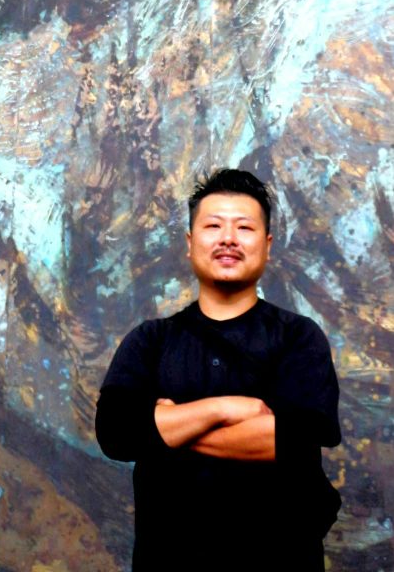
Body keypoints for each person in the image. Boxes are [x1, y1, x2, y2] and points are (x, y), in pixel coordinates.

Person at [95, 168, 341, 572]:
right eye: (213, 226)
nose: (228, 238)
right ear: (190, 243)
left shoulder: (298, 337)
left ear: (267, 245)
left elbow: (293, 442)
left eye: (244, 227)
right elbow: (117, 434)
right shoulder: (150, 340)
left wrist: (167, 427)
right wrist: (225, 409)